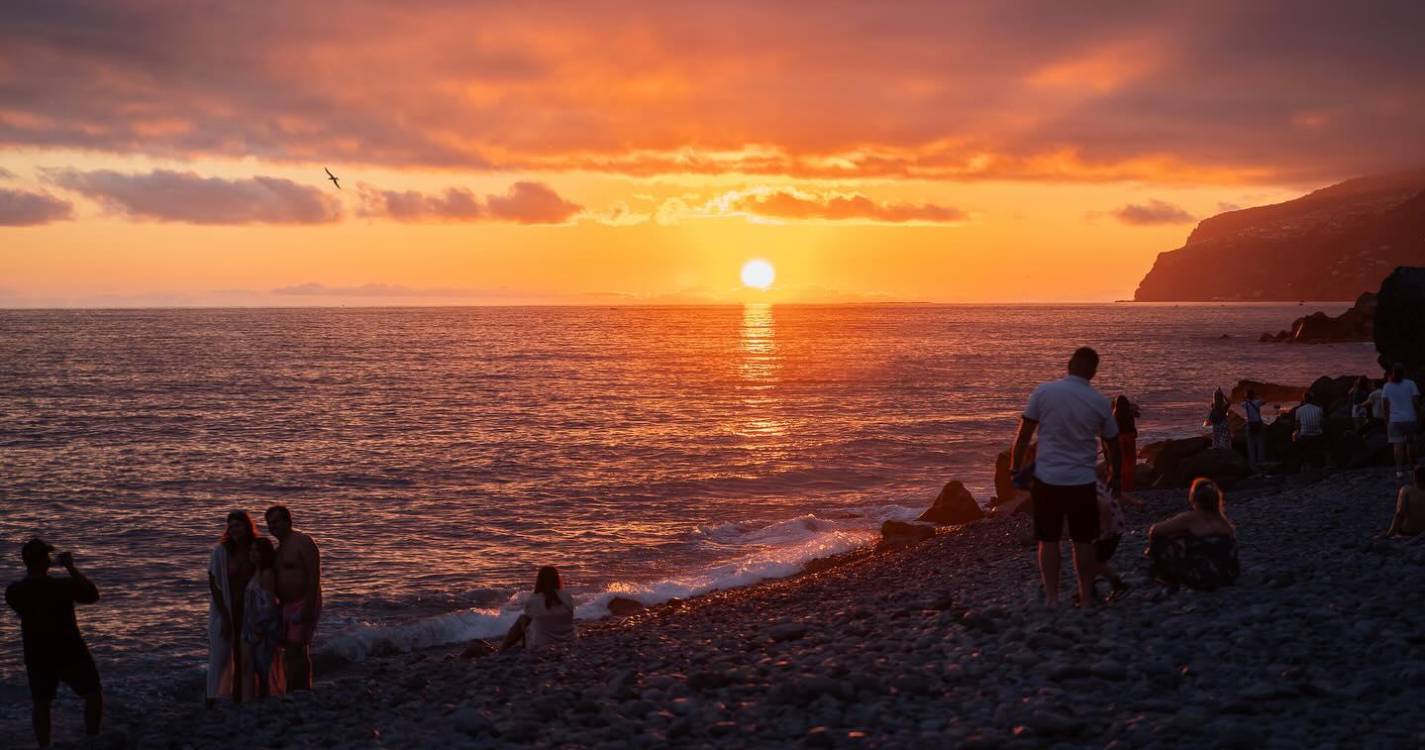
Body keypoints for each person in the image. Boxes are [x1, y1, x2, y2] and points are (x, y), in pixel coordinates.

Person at [1010, 347, 1122, 608]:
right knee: (1083, 541)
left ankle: (1052, 597)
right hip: (1082, 481)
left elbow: (1024, 434)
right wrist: (1115, 476)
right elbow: (1113, 444)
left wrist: (1015, 468)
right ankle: (1086, 597)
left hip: (1048, 478)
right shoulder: (1099, 402)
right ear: (1093, 372)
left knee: (1048, 540)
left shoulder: (1044, 392)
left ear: (1069, 365)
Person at [6, 539, 103, 748]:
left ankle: (44, 747)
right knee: (93, 694)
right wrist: (71, 568)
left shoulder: (14, 591)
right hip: (70, 651)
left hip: (37, 654)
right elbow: (92, 595)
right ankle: (92, 740)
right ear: (44, 561)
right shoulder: (62, 586)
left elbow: (25, 597)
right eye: (46, 557)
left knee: (41, 703)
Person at [1146, 478, 1239, 591]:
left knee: (1159, 540)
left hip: (1200, 578)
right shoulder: (1224, 523)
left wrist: (1179, 532)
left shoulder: (1190, 518)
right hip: (1227, 576)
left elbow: (1155, 530)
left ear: (1194, 499)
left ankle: (1164, 576)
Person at [265, 505, 321, 691]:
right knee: (294, 650)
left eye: (276, 521)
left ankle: (299, 690)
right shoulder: (278, 549)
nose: (273, 526)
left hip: (304, 601)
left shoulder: (302, 541)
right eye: (269, 523)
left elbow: (314, 575)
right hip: (286, 605)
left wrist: (309, 605)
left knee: (295, 648)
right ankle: (300, 689)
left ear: (288, 522)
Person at [207, 511, 256, 706]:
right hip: (226, 609)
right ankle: (211, 699)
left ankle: (240, 698)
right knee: (220, 655)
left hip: (250, 609)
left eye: (238, 525)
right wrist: (225, 617)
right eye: (231, 526)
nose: (235, 529)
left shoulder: (255, 549)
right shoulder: (221, 551)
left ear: (247, 526)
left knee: (244, 654)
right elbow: (214, 585)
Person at [241, 537, 285, 700]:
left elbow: (269, 605)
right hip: (251, 624)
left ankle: (264, 699)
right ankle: (255, 698)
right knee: (251, 665)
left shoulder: (267, 574)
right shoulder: (256, 572)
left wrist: (260, 627)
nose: (252, 554)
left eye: (257, 551)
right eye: (251, 550)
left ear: (265, 554)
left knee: (263, 666)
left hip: (262, 627)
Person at [1092, 475, 1144, 602]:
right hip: (1115, 526)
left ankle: (1117, 584)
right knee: (1094, 559)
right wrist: (1135, 502)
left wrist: (1106, 529)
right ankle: (1090, 587)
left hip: (1107, 528)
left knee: (1094, 562)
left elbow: (1103, 504)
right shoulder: (1096, 481)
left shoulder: (1083, 484)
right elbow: (1116, 494)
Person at [500, 566, 577, 651]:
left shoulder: (534, 599)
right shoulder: (567, 596)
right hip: (570, 640)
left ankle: (503, 649)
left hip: (541, 644)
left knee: (523, 619)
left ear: (539, 581)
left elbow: (529, 617)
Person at [1382, 363, 1422, 479]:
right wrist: (1419, 416)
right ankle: (1411, 467)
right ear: (1404, 372)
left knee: (1397, 446)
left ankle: (1399, 471)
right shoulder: (1411, 384)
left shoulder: (1387, 386)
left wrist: (1386, 419)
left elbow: (1385, 405)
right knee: (1410, 443)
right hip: (1410, 418)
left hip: (1394, 420)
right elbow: (1416, 402)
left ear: (1392, 372)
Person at [1385, 466, 1425, 538]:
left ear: (1414, 478)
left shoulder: (1406, 490)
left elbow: (1400, 514)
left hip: (1408, 532)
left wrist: (1390, 534)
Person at [1112, 396, 1140, 493]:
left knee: (1122, 462)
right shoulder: (1130, 411)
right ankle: (1129, 486)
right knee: (1130, 461)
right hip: (1129, 437)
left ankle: (1123, 486)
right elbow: (1138, 414)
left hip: (1120, 438)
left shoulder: (1115, 413)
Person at [1292, 395, 1326, 471]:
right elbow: (1321, 423)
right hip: (1317, 434)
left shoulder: (1299, 410)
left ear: (1304, 400)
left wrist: (1298, 432)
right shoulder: (1319, 409)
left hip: (1305, 435)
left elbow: (1297, 425)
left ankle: (1301, 462)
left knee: (1295, 436)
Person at [1241, 388, 1267, 471]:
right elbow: (1264, 401)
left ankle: (1252, 462)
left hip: (1250, 425)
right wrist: (1257, 396)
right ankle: (1261, 461)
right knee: (1260, 443)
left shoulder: (1245, 404)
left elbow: (1241, 403)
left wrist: (1246, 398)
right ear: (1253, 395)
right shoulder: (1257, 402)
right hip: (1258, 424)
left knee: (1250, 445)